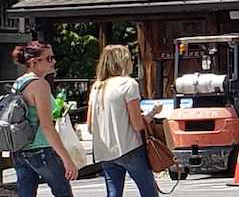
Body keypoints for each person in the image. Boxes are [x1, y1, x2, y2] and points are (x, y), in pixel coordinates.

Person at [87, 45, 162, 197]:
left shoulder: (97, 87)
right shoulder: (128, 84)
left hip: (105, 151)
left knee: (113, 192)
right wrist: (153, 112)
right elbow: (137, 124)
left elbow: (90, 126)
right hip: (129, 147)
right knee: (148, 191)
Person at [10, 40, 78, 197]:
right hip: (41, 149)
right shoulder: (40, 85)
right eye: (48, 58)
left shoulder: (19, 83)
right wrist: (67, 159)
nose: (53, 61)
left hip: (20, 151)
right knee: (63, 193)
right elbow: (47, 126)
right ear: (34, 62)